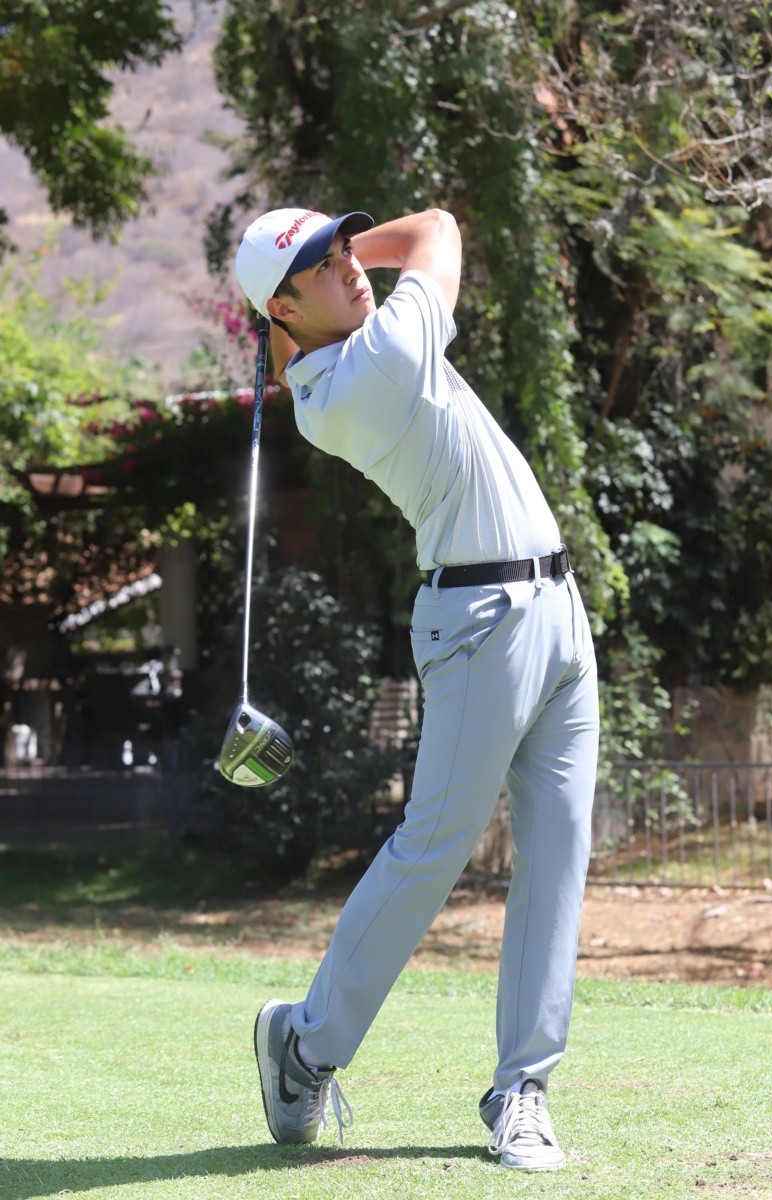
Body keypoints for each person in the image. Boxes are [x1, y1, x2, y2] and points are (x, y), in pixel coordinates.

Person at [234, 206, 599, 1171]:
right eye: (324, 265)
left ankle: (523, 1090)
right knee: (435, 847)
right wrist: (374, 243)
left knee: (558, 856)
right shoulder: (372, 366)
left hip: (558, 610)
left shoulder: (336, 366)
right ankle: (306, 1046)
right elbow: (439, 226)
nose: (350, 266)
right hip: (481, 624)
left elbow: (326, 323)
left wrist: (330, 264)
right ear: (283, 308)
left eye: (345, 247)